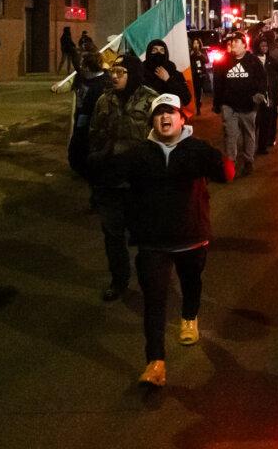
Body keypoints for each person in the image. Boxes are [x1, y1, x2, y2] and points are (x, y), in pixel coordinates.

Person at [113, 94, 233, 387]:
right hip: (152, 241)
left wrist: (220, 162)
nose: (165, 118)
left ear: (182, 118)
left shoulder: (196, 149)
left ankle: (189, 316)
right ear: (152, 121)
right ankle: (155, 362)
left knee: (191, 282)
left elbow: (225, 173)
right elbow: (117, 183)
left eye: (171, 112)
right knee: (154, 300)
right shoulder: (140, 153)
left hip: (191, 236)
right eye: (159, 113)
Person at [87, 54, 158, 301]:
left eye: (120, 72)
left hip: (141, 183)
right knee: (113, 236)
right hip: (111, 181)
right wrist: (96, 163)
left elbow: (162, 138)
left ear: (133, 74)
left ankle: (151, 279)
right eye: (112, 71)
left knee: (146, 237)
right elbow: (94, 135)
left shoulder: (151, 99)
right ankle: (119, 279)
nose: (114, 76)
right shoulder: (104, 100)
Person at [212, 33, 266, 177]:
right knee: (230, 134)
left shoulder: (253, 61)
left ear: (244, 44)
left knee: (249, 133)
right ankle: (230, 162)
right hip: (229, 105)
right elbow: (218, 84)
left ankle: (248, 161)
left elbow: (262, 81)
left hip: (248, 105)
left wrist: (258, 95)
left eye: (236, 42)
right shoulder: (224, 61)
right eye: (231, 42)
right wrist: (217, 103)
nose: (233, 44)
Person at [62, 52, 111, 179]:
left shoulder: (104, 83)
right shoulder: (81, 78)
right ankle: (80, 166)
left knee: (91, 145)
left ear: (88, 67)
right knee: (78, 143)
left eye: (82, 65)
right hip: (80, 117)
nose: (80, 67)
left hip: (95, 121)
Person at [143, 39, 193, 107]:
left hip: (169, 113)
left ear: (166, 53)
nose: (158, 53)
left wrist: (168, 80)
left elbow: (186, 99)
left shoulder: (174, 73)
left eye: (162, 50)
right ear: (149, 53)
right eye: (154, 50)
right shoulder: (141, 72)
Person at [189, 38, 210, 115]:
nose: (196, 45)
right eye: (194, 43)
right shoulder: (191, 53)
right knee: (195, 91)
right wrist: (192, 54)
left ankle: (198, 104)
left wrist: (200, 54)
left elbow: (207, 61)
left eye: (197, 43)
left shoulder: (203, 52)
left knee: (199, 91)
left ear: (200, 44)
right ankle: (197, 106)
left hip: (201, 74)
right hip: (193, 75)